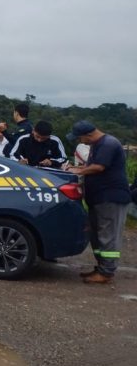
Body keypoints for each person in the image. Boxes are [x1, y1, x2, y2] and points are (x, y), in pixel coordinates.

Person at [66, 120, 131, 284]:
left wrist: (78, 170)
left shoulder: (108, 143)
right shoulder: (96, 145)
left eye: (79, 138)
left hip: (110, 198)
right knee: (96, 234)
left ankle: (106, 272)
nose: (79, 141)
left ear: (88, 134)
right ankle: (101, 267)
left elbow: (98, 167)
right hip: (99, 198)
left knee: (107, 235)